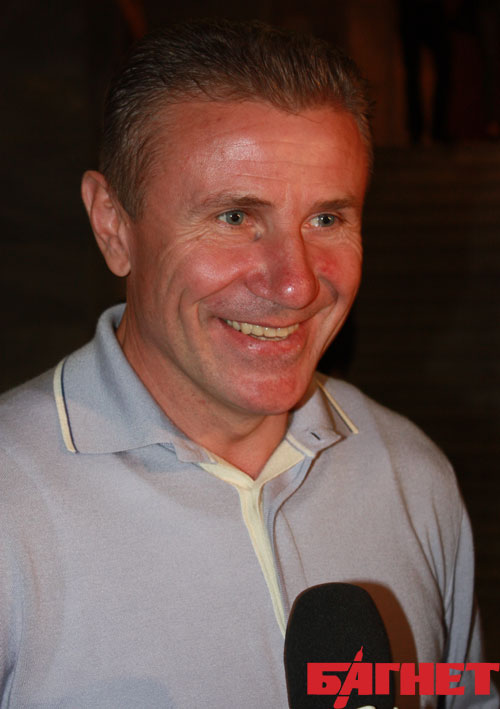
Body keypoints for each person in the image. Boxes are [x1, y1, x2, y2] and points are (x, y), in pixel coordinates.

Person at [0, 19, 496, 708]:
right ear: (114, 226)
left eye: (327, 219)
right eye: (235, 217)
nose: (296, 284)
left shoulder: (411, 473)